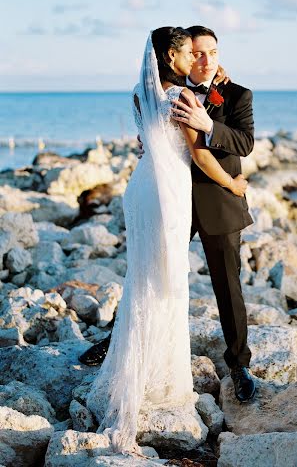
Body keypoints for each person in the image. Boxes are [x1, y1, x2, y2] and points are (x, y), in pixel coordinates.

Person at [84, 27, 248, 455]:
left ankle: (235, 364)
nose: (201, 60)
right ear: (177, 56)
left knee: (174, 277)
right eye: (194, 53)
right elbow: (195, 152)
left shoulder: (151, 91)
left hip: (162, 193)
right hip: (171, 193)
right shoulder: (182, 95)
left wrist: (209, 119)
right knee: (160, 277)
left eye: (209, 53)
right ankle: (137, 359)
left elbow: (242, 141)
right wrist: (233, 183)